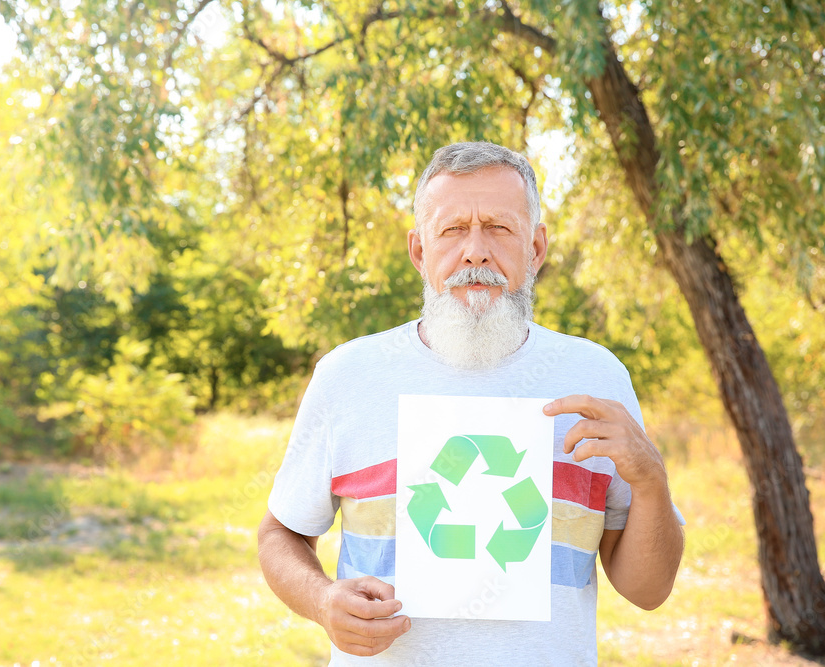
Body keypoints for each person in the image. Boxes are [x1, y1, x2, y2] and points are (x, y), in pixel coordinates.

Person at [257, 141, 685, 665]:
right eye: (453, 229)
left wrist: (650, 479)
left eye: (500, 228)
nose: (475, 251)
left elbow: (648, 590)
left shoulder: (597, 379)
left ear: (536, 248)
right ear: (419, 251)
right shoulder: (348, 376)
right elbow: (282, 532)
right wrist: (322, 601)